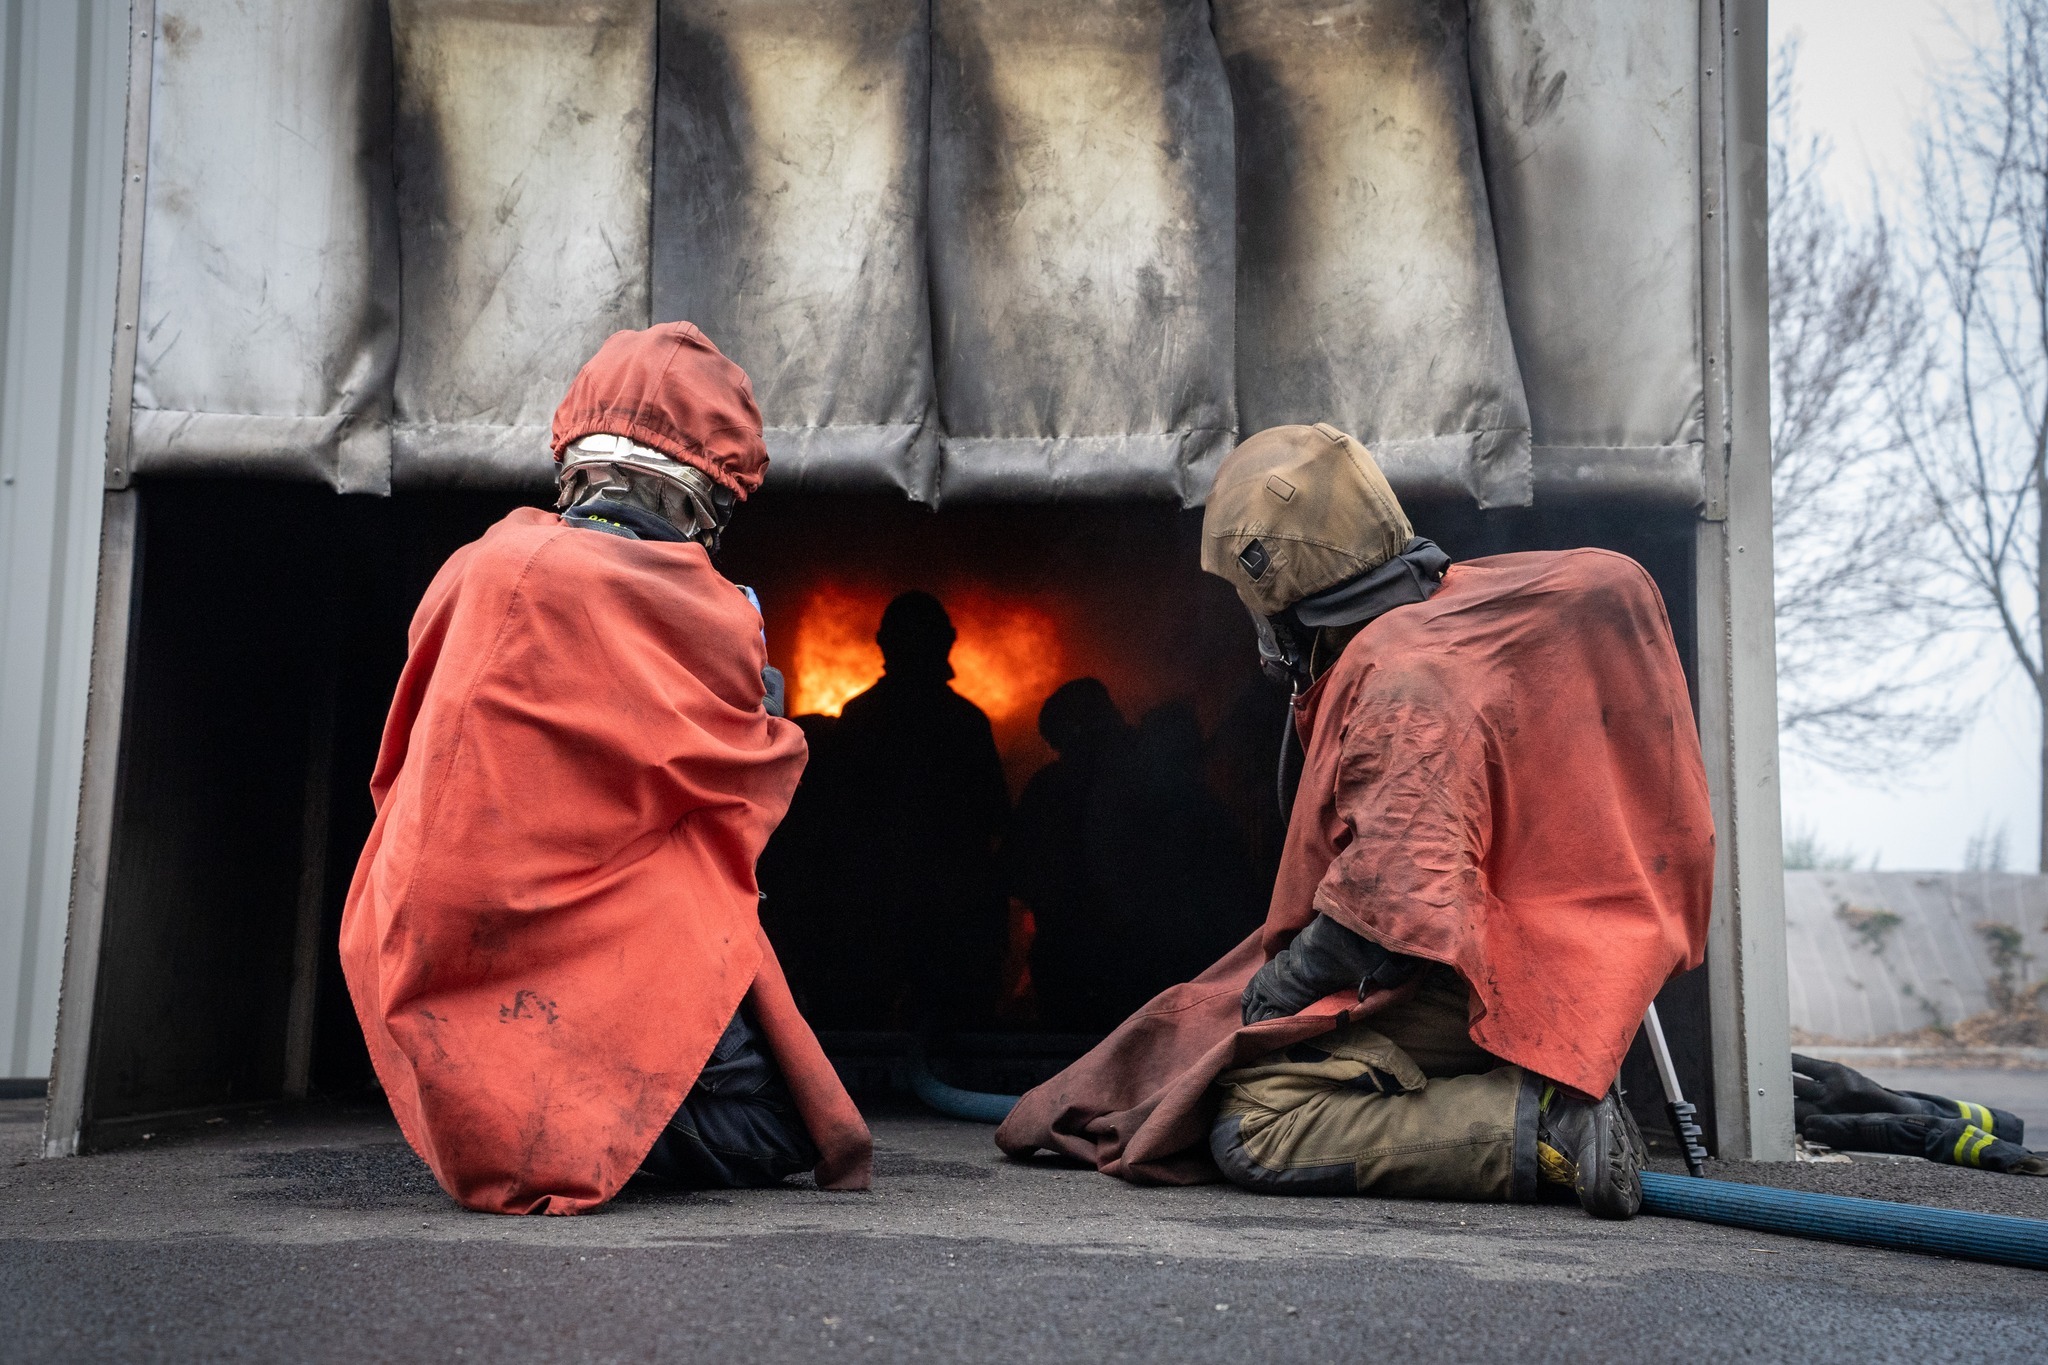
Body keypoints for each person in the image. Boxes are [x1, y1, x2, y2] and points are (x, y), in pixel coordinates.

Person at [996, 423, 1714, 1220]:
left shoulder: (1398, 680)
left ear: (1282, 587)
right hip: (1577, 940)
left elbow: (1394, 908)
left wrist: (1288, 982)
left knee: (1247, 1119)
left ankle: (1543, 1124)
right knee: (1201, 1035)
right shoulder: (1467, 608)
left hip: (1484, 970)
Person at [340, 322, 871, 1214]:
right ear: (704, 498)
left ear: (576, 464)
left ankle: (513, 1094)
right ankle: (572, 1117)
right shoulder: (706, 610)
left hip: (406, 941)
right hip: (583, 940)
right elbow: (745, 776)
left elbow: (399, 762)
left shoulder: (471, 566)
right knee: (786, 1119)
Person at [829, 592, 1011, 1031]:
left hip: (875, 906)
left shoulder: (858, 718)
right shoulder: (965, 722)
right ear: (946, 641)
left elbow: (836, 822)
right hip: (951, 911)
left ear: (882, 642)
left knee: (866, 1034)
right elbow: (996, 816)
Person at [1005, 679, 1130, 1029]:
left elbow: (1016, 871)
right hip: (1122, 953)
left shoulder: (1049, 787)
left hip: (1067, 949)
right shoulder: (1146, 784)